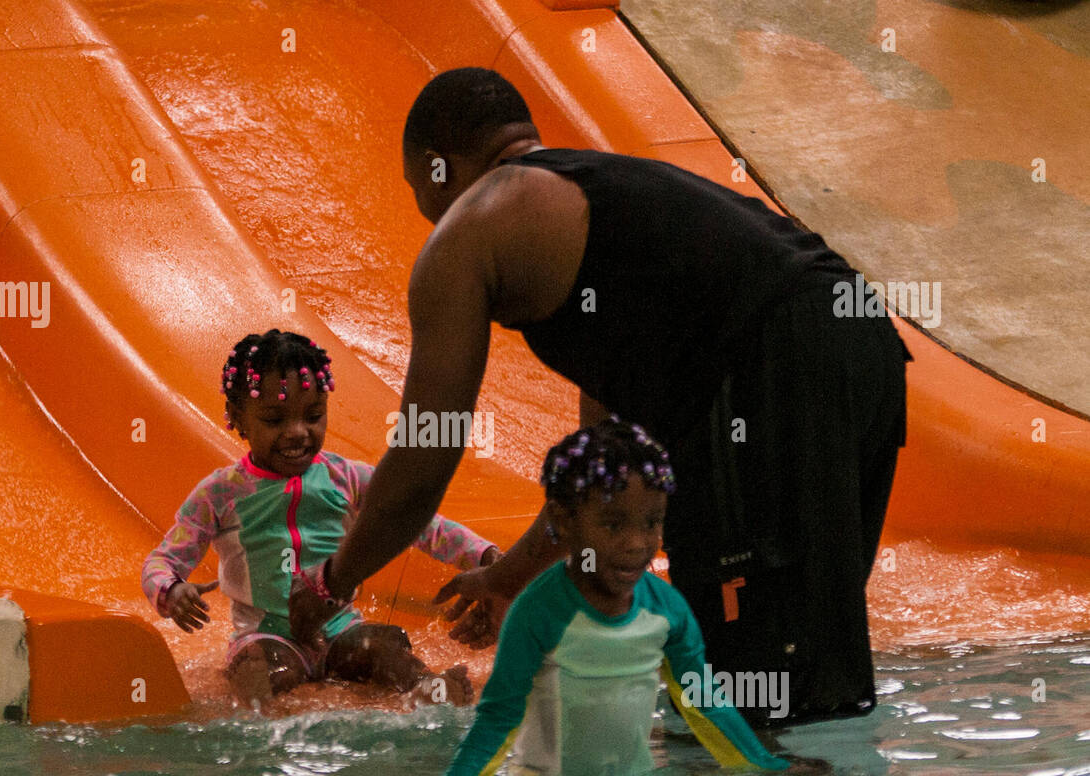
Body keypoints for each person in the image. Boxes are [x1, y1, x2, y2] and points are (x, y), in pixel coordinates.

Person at [290, 67, 911, 727]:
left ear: (440, 169)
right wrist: (509, 577)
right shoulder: (615, 210)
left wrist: (332, 581)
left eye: (421, 192)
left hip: (768, 372)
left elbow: (426, 453)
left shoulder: (469, 232)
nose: (426, 215)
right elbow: (604, 466)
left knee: (744, 699)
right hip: (862, 344)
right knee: (807, 670)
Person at [400, 420, 790, 776]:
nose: (638, 544)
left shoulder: (667, 611)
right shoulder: (538, 613)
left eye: (652, 522)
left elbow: (704, 703)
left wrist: (767, 768)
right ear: (564, 521)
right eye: (614, 524)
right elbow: (500, 716)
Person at [142, 328, 498, 706]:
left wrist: (485, 556)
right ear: (237, 418)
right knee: (261, 671)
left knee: (381, 649)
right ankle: (264, 726)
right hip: (267, 634)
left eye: (313, 416)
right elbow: (163, 560)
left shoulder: (346, 478)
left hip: (340, 627)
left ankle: (431, 689)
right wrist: (169, 590)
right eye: (275, 420)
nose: (297, 433)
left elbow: (418, 521)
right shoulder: (221, 493)